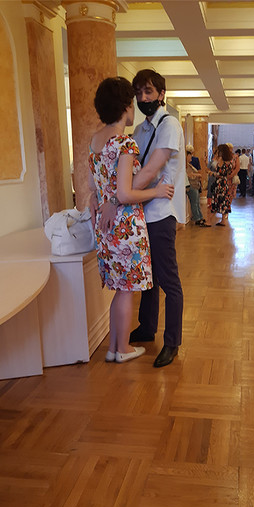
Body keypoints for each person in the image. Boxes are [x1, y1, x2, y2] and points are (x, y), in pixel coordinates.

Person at [99, 69, 186, 368]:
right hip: (139, 213)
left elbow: (150, 170)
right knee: (148, 279)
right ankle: (147, 328)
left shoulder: (169, 124)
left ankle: (172, 342)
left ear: (161, 94)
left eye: (148, 92)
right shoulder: (139, 130)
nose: (143, 98)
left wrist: (115, 198)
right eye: (138, 93)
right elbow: (129, 171)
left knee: (168, 280)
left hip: (160, 211)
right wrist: (117, 196)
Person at [185, 145, 210, 227]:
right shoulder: (185, 165)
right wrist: (196, 175)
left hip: (194, 185)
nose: (191, 157)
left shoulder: (189, 164)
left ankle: (200, 217)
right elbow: (189, 174)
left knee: (196, 202)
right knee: (195, 203)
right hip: (191, 185)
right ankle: (197, 218)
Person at [210, 143, 233, 226]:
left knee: (217, 200)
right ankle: (223, 220)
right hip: (225, 183)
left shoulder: (221, 161)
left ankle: (209, 221)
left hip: (219, 183)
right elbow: (228, 172)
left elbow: (219, 173)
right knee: (224, 201)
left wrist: (212, 173)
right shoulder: (229, 162)